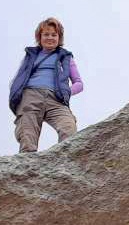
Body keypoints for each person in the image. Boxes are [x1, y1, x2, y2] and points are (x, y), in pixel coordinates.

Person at [8, 17, 84, 152]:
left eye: (54, 35)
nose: (50, 38)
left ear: (59, 38)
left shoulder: (65, 57)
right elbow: (20, 76)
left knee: (68, 128)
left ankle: (64, 160)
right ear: (40, 37)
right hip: (30, 95)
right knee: (27, 134)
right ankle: (27, 162)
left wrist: (66, 91)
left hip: (56, 98)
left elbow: (79, 83)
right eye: (46, 34)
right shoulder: (31, 56)